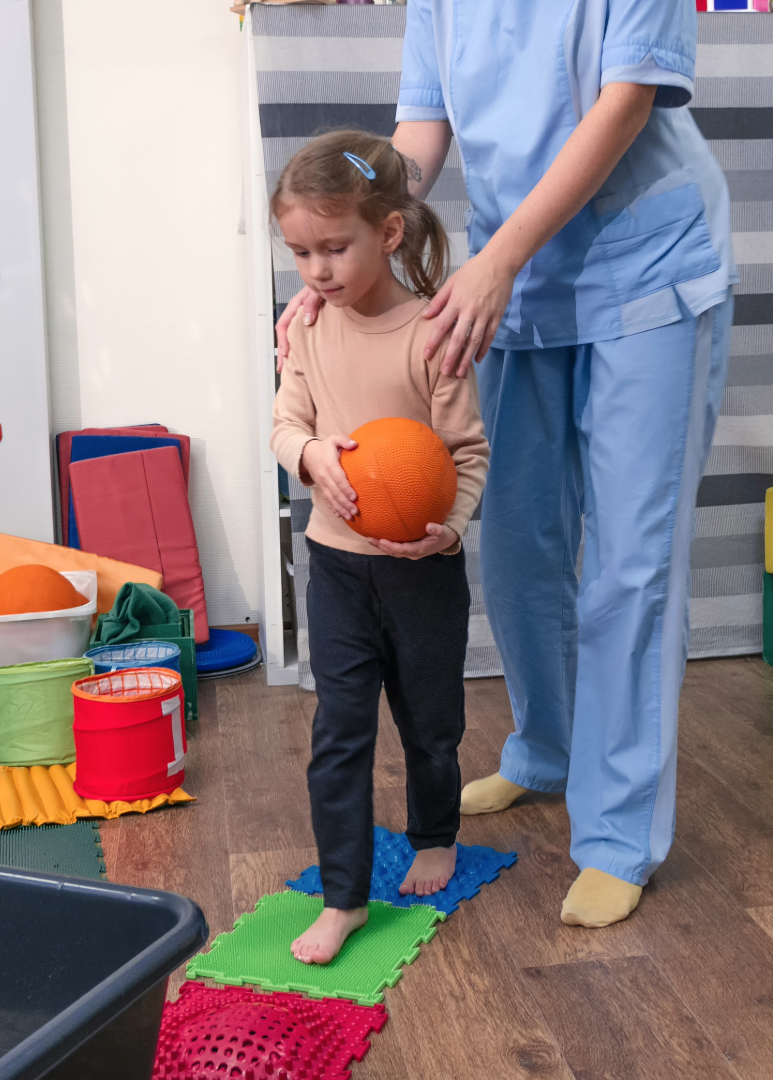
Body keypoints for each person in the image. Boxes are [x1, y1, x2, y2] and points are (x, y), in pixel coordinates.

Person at [277, 0, 734, 929]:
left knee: (630, 569)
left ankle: (618, 836)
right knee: (522, 542)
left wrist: (496, 262)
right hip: (518, 284)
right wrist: (340, 263)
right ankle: (545, 752)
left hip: (645, 267)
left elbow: (625, 105)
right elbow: (411, 145)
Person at [269, 130, 491, 964]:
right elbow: (287, 425)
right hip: (335, 566)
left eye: (335, 247)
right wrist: (310, 453)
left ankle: (436, 834)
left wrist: (450, 527)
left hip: (422, 571)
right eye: (300, 252)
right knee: (341, 730)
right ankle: (344, 895)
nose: (318, 270)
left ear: (389, 233)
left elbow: (467, 452)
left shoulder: (434, 334)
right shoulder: (308, 330)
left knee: (431, 722)